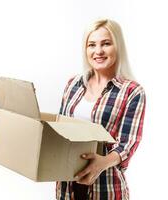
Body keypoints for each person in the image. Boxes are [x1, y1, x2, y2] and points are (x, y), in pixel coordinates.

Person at [56, 18, 146, 200]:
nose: (98, 51)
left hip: (106, 187)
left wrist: (101, 163)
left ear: (117, 47)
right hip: (67, 187)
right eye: (91, 45)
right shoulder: (73, 84)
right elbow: (59, 128)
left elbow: (128, 144)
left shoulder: (132, 91)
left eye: (106, 44)